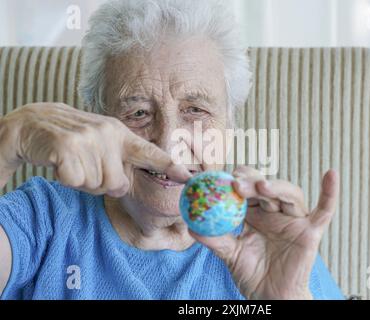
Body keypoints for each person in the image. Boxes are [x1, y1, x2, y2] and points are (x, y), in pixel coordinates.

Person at [0, 0, 343, 299]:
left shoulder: (271, 239)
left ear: (230, 125)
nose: (168, 144)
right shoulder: (42, 218)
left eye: (195, 110)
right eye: (138, 113)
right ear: (96, 122)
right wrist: (8, 141)